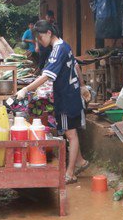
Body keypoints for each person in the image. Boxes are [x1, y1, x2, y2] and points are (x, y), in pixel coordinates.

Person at [16, 20, 90, 184]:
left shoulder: (57, 50)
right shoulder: (65, 45)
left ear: (49, 33)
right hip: (70, 94)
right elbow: (76, 66)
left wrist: (26, 90)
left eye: (40, 38)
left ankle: (70, 173)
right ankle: (81, 162)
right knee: (69, 131)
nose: (40, 42)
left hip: (66, 96)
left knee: (71, 134)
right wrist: (83, 86)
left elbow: (47, 76)